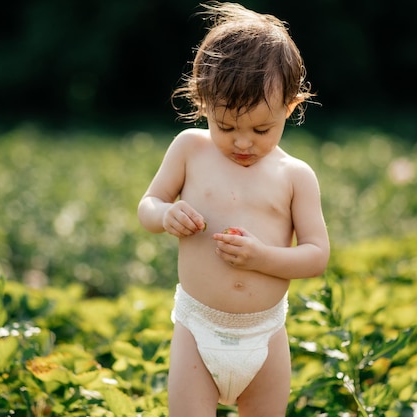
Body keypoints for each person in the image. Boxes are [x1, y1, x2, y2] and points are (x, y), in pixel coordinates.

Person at [137, 2, 330, 416]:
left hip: (264, 336)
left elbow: (316, 256)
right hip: (197, 327)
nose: (243, 143)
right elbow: (148, 205)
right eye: (225, 127)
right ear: (203, 102)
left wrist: (263, 258)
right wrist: (165, 215)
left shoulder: (295, 176)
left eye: (262, 129)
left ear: (291, 108)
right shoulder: (190, 149)